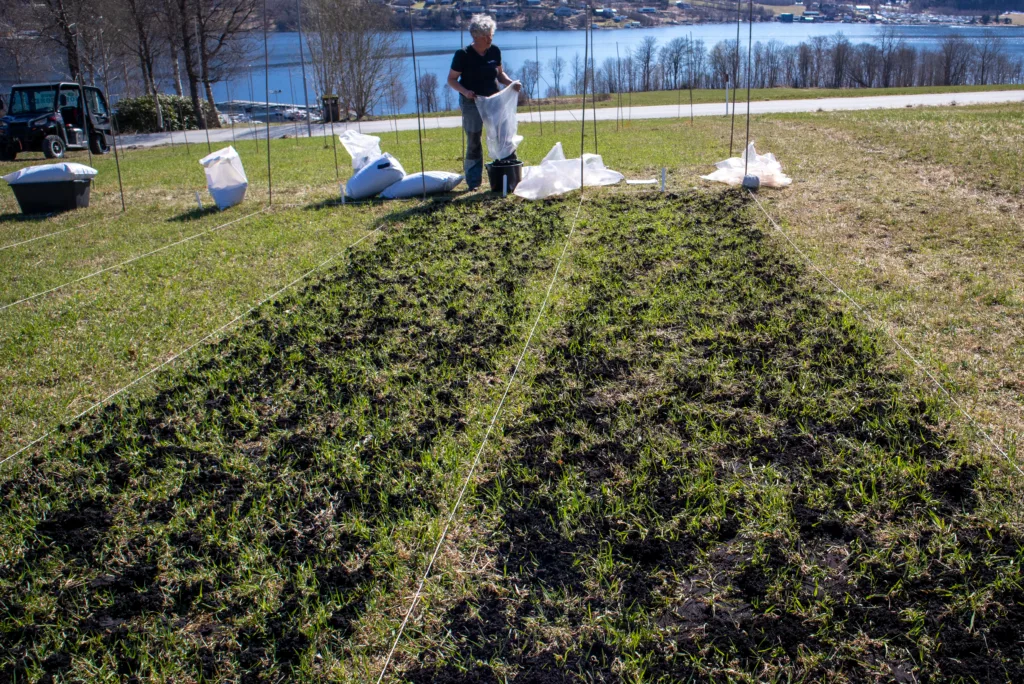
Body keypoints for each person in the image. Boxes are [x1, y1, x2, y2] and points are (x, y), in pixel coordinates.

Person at [447, 15, 521, 190]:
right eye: (485, 36)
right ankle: (474, 182)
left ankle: (510, 174)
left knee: (504, 135)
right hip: (472, 102)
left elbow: (500, 75)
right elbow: (451, 79)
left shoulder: (495, 51)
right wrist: (465, 92)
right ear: (475, 36)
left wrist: (511, 83)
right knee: (474, 139)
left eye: (491, 34)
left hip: (495, 100)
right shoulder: (462, 55)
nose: (490, 39)